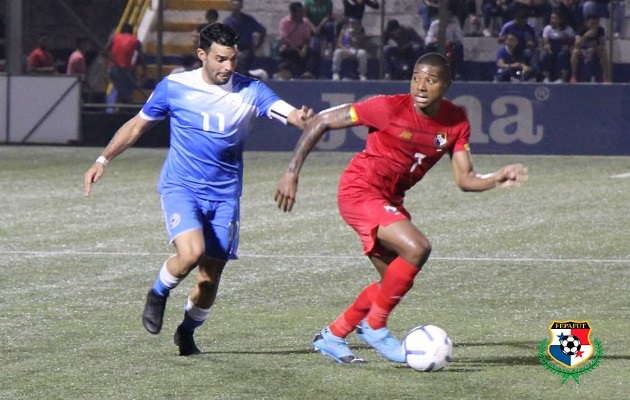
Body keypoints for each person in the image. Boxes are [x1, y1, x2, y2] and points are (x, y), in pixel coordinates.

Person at [274, 52, 528, 364]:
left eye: (430, 80)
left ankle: (333, 335)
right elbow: (323, 120)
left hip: (390, 200)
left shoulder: (456, 120)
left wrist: (496, 178)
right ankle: (375, 327)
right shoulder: (386, 107)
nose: (421, 86)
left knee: (389, 283)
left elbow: (465, 179)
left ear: (446, 85)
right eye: (416, 77)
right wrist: (291, 171)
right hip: (360, 190)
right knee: (418, 247)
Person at [83, 23, 314, 356]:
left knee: (209, 278)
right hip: (182, 187)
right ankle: (158, 292)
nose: (228, 67)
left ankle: (186, 331)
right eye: (220, 59)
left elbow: (289, 114)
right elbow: (138, 125)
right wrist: (103, 159)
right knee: (190, 254)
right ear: (202, 55)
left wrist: (303, 118)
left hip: (224, 197)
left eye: (233, 59)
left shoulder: (251, 90)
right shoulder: (174, 87)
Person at [105, 23, 146, 106]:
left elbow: (105, 51)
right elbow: (141, 59)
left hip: (113, 69)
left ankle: (114, 107)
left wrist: (107, 66)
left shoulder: (114, 37)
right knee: (127, 92)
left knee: (118, 88)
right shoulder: (135, 41)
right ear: (131, 32)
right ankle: (124, 108)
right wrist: (144, 72)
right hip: (125, 70)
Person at [224, 0, 267, 75]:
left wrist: (258, 46)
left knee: (241, 59)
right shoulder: (227, 21)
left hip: (246, 49)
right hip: (233, 49)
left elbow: (262, 30)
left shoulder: (248, 20)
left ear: (241, 6)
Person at [424, 1, 465, 80]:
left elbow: (459, 40)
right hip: (437, 46)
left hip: (450, 47)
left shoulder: (455, 25)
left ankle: (458, 72)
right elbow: (428, 40)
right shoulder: (435, 25)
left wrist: (451, 42)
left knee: (459, 48)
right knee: (428, 48)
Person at [278, 2, 318, 78]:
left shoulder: (305, 22)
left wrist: (304, 49)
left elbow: (307, 38)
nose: (302, 14)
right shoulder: (284, 22)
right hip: (289, 47)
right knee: (290, 53)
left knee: (313, 53)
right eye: (299, 12)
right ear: (293, 12)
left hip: (301, 46)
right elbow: (285, 39)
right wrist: (297, 50)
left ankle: (309, 72)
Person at [570, 13, 610, 83]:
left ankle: (605, 77)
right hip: (582, 50)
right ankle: (573, 76)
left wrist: (593, 49)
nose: (595, 26)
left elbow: (602, 45)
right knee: (575, 52)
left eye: (597, 24)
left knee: (603, 53)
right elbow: (576, 45)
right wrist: (585, 36)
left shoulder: (600, 30)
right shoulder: (581, 30)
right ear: (587, 23)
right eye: (593, 23)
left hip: (594, 50)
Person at [540, 10, 575, 83]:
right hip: (552, 49)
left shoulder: (568, 29)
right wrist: (547, 47)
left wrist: (567, 46)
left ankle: (562, 78)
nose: (552, 20)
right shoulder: (548, 28)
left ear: (560, 19)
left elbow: (572, 42)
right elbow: (545, 41)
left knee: (562, 56)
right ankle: (547, 78)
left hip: (563, 50)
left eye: (554, 18)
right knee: (546, 56)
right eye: (551, 18)